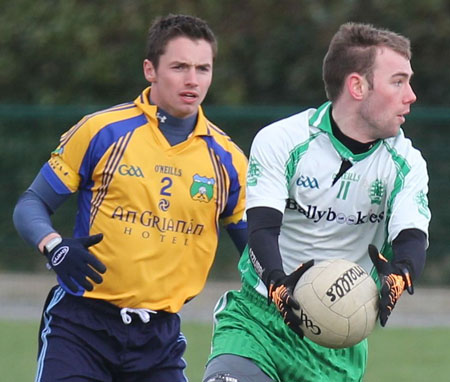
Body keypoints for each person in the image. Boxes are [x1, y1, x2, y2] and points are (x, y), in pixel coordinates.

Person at [13, 14, 248, 382]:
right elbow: (31, 204)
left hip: (160, 339)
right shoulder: (102, 131)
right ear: (149, 70)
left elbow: (258, 247)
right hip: (81, 327)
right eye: (179, 67)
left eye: (203, 68)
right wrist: (54, 246)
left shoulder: (228, 160)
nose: (193, 80)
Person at [203, 22, 430, 382]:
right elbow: (262, 229)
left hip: (338, 342)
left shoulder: (405, 163)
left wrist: (399, 275)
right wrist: (278, 286)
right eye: (399, 81)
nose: (411, 95)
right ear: (357, 86)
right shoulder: (283, 140)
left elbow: (412, 238)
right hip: (260, 322)